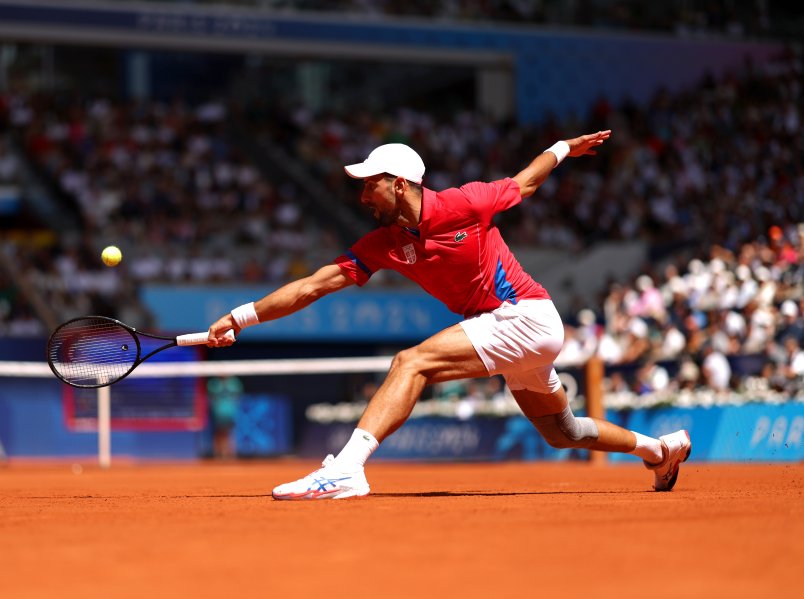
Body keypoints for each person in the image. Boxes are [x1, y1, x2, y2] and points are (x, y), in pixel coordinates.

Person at [205, 131, 692, 499]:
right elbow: (312, 286)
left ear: (399, 185)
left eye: (369, 185)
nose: (361, 197)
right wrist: (239, 318)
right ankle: (658, 450)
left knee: (410, 362)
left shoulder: (464, 203)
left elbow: (525, 183)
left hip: (525, 315)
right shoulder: (381, 244)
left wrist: (562, 146)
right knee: (562, 432)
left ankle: (347, 469)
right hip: (510, 332)